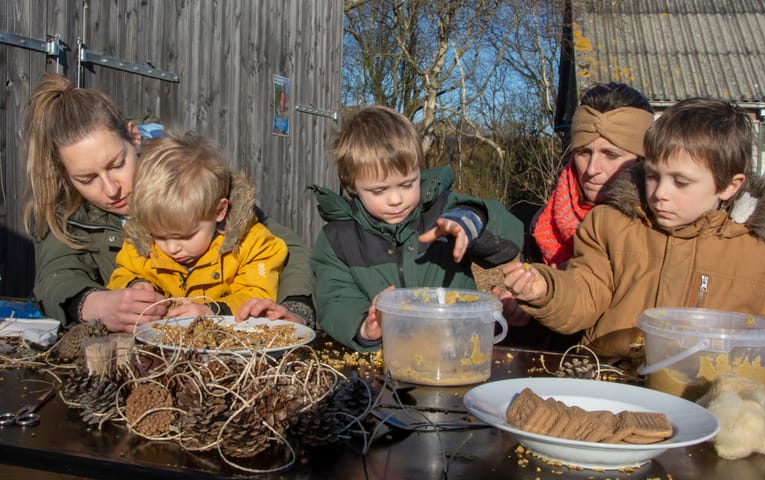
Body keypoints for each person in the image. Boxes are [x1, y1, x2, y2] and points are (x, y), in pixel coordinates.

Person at [502, 97, 765, 379]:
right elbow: (585, 293)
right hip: (610, 378)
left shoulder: (762, 249)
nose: (660, 193)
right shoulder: (611, 223)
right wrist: (547, 289)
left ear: (729, 186)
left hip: (709, 392)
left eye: (680, 182)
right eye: (653, 176)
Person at [23, 72, 315, 332]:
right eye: (87, 180)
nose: (111, 189)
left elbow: (282, 248)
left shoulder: (188, 180)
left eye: (117, 164)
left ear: (134, 137)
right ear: (67, 175)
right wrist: (96, 304)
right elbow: (55, 276)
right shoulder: (62, 212)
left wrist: (295, 310)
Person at [309, 105, 523, 352]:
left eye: (407, 184)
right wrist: (364, 328)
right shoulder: (337, 238)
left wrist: (471, 222)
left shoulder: (444, 211)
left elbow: (509, 241)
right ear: (352, 186)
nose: (396, 199)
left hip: (457, 350)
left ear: (418, 171)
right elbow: (335, 300)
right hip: (385, 361)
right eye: (379, 190)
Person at [495, 83, 655, 346]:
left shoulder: (658, 227)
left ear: (642, 160)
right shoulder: (543, 223)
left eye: (610, 154)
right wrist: (525, 309)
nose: (592, 169)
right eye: (583, 152)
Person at [106, 131, 288, 319]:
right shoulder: (141, 245)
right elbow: (121, 274)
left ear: (219, 211)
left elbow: (257, 294)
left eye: (184, 236)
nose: (172, 247)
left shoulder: (251, 245)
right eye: (159, 236)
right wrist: (134, 284)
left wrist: (213, 311)